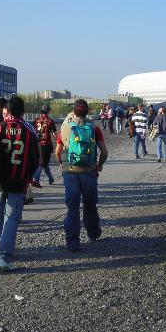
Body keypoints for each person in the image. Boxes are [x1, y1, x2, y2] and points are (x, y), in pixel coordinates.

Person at [0, 97, 40, 270]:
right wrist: (28, 176)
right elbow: (35, 158)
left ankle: (2, 244)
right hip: (17, 180)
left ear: (8, 110)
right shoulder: (28, 130)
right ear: (23, 111)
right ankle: (4, 253)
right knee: (11, 217)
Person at [55, 99, 108, 252]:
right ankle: (93, 232)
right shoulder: (94, 128)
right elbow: (104, 152)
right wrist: (99, 165)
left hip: (70, 172)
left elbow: (57, 152)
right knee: (90, 204)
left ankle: (73, 241)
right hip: (89, 172)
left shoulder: (65, 128)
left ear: (74, 111)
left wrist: (61, 164)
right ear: (87, 112)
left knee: (72, 207)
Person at [32, 104, 57, 187]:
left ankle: (51, 178)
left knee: (45, 163)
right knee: (43, 163)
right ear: (48, 111)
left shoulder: (36, 120)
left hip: (37, 144)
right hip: (46, 145)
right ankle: (36, 178)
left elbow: (32, 131)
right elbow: (54, 134)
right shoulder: (50, 121)